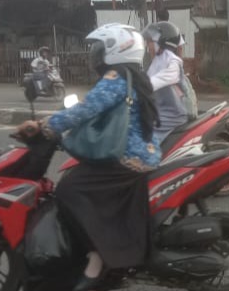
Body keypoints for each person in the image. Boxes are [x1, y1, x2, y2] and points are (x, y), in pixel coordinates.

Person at [18, 23, 160, 291]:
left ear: (116, 51)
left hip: (126, 158)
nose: (94, 55)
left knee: (70, 190)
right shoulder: (134, 75)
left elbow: (85, 109)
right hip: (141, 154)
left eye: (99, 49)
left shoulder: (116, 78)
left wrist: (45, 124)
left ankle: (98, 257)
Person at [144, 21, 195, 142]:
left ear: (161, 42)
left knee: (145, 137)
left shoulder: (172, 60)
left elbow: (165, 77)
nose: (148, 46)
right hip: (162, 110)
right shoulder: (157, 60)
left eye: (150, 42)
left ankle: (151, 158)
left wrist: (143, 86)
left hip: (174, 114)